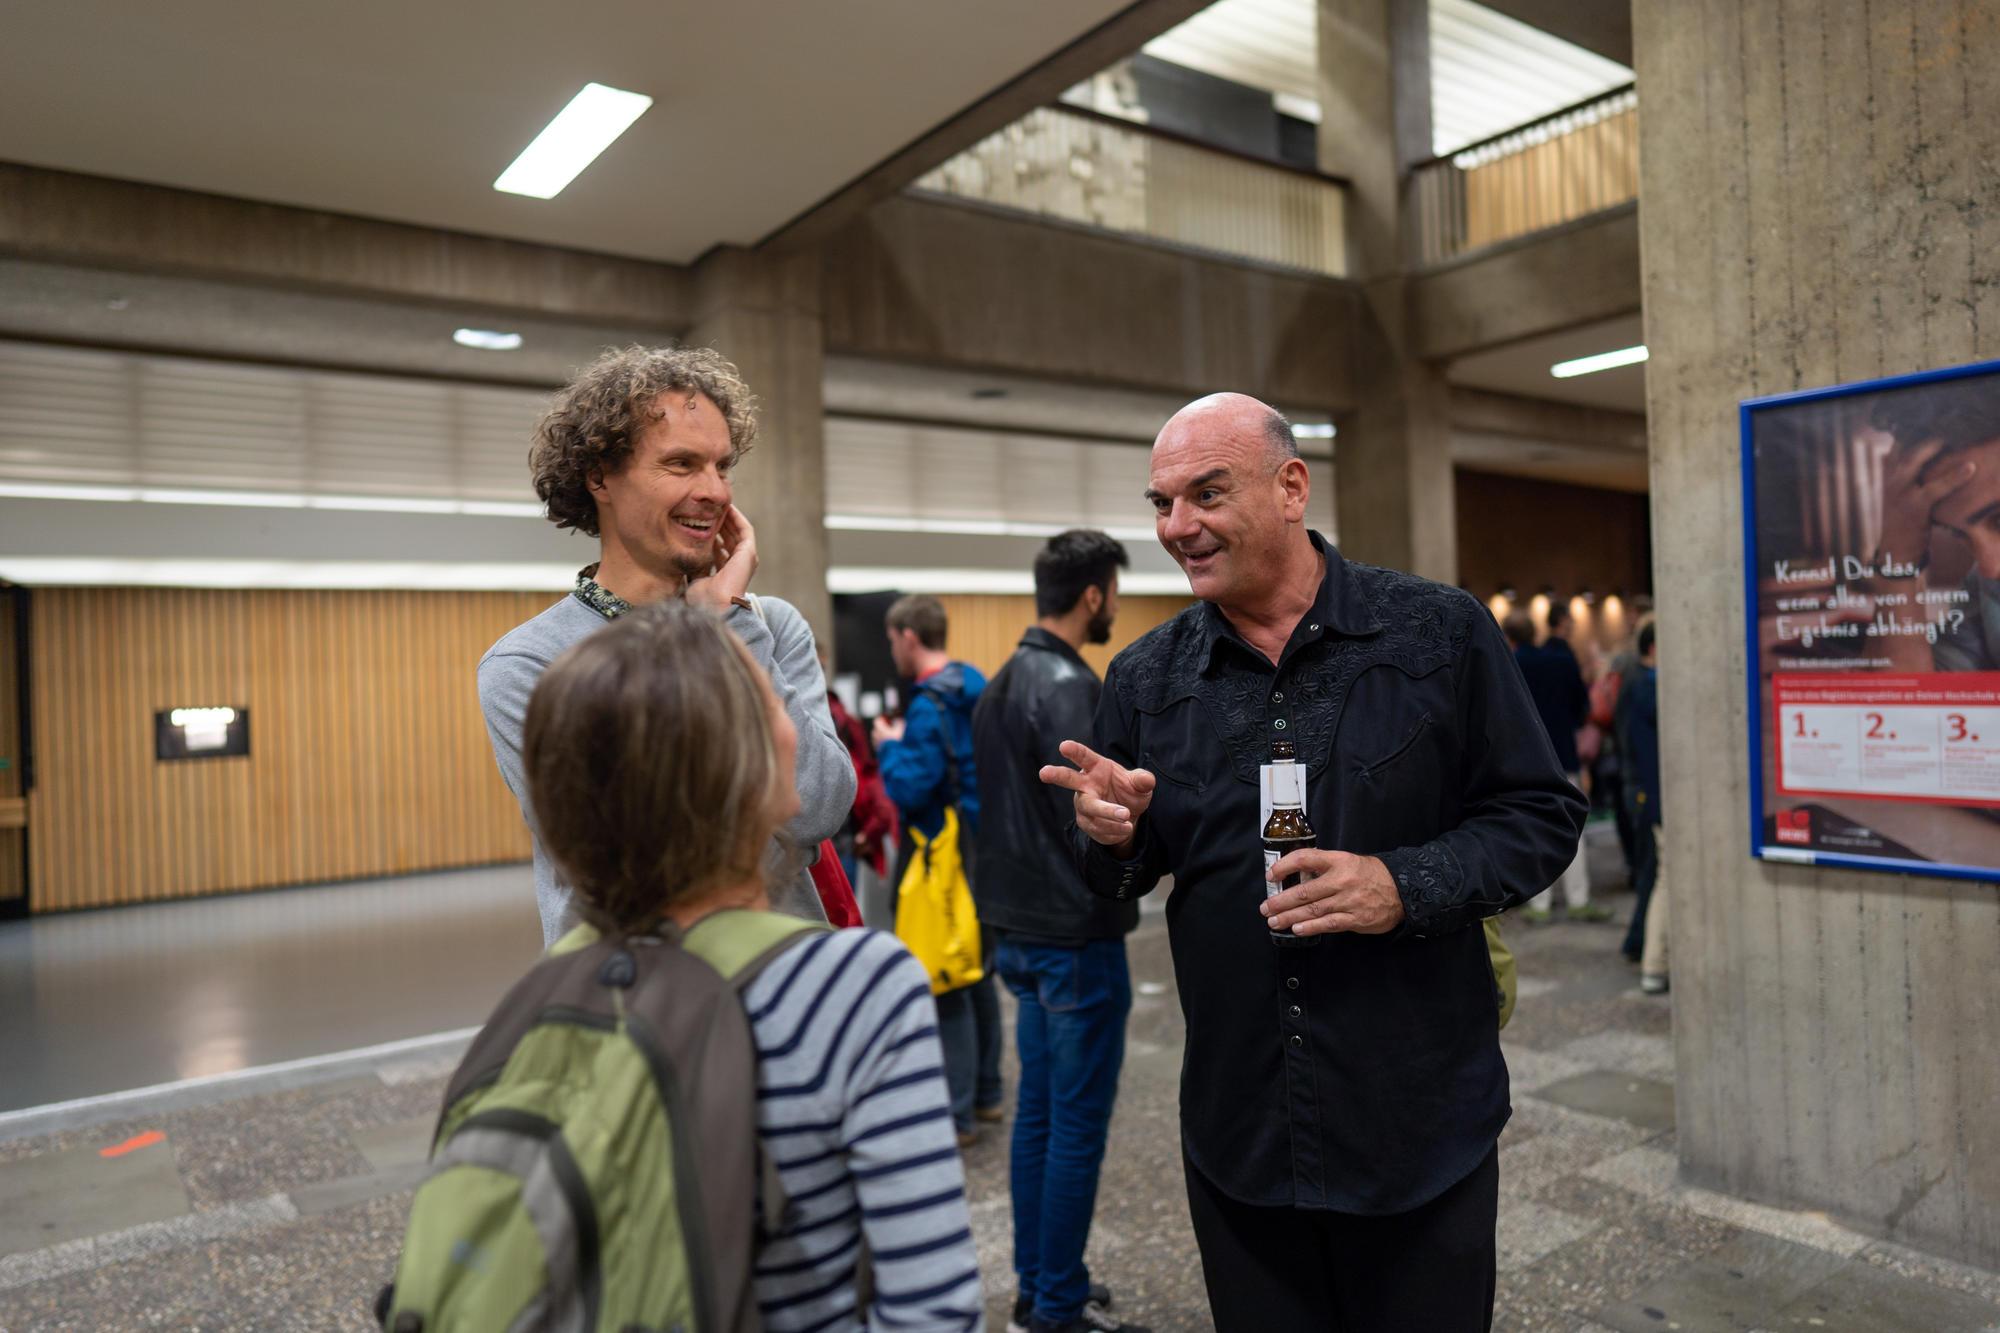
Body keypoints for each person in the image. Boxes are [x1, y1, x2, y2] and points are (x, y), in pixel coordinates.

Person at [1040, 393, 1585, 1332]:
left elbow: (1540, 813)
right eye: (1161, 503)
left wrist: (1398, 885)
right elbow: (1122, 878)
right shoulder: (1144, 678)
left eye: (1206, 493)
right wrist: (1117, 838)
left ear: (1291, 486)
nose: (1178, 527)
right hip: (1242, 1135)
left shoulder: (1438, 634)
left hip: (1418, 1130)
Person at [520, 600, 984, 1332]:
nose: (796, 721)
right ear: (731, 766)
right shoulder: (855, 988)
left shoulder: (548, 998)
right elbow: (934, 1309)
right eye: (772, 696)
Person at [478, 345, 855, 945]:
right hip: (634, 1002)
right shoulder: (531, 664)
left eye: (722, 466)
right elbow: (622, 855)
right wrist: (712, 641)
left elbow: (819, 808)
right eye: (682, 464)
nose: (715, 491)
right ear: (599, 476)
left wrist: (728, 626)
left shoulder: (769, 629)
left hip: (788, 984)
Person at [971, 530, 1148, 1333]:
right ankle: (1058, 1308)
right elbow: (1095, 826)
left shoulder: (1000, 681)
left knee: (1039, 1115)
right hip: (1075, 935)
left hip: (1016, 929)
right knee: (1073, 1124)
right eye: (1111, 591)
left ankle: (1041, 1281)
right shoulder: (1073, 687)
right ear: (1093, 595)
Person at [875, 594, 1004, 1147]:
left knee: (944, 978)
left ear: (908, 636)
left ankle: (957, 1117)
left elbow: (911, 786)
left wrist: (887, 747)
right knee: (977, 970)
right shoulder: (976, 685)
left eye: (892, 641)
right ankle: (988, 1094)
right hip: (983, 847)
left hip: (941, 857)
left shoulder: (929, 705)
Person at [1507, 603, 1607, 923]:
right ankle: (1579, 899)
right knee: (1571, 829)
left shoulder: (1514, 663)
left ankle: (1540, 904)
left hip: (1527, 761)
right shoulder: (1563, 661)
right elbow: (1582, 708)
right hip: (1564, 755)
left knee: (1533, 830)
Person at [1618, 620, 1667, 993]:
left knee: (1654, 875)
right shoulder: (1649, 688)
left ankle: (1641, 948)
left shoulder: (1636, 683)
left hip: (1647, 795)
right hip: (1656, 797)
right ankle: (1650, 958)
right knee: (1659, 878)